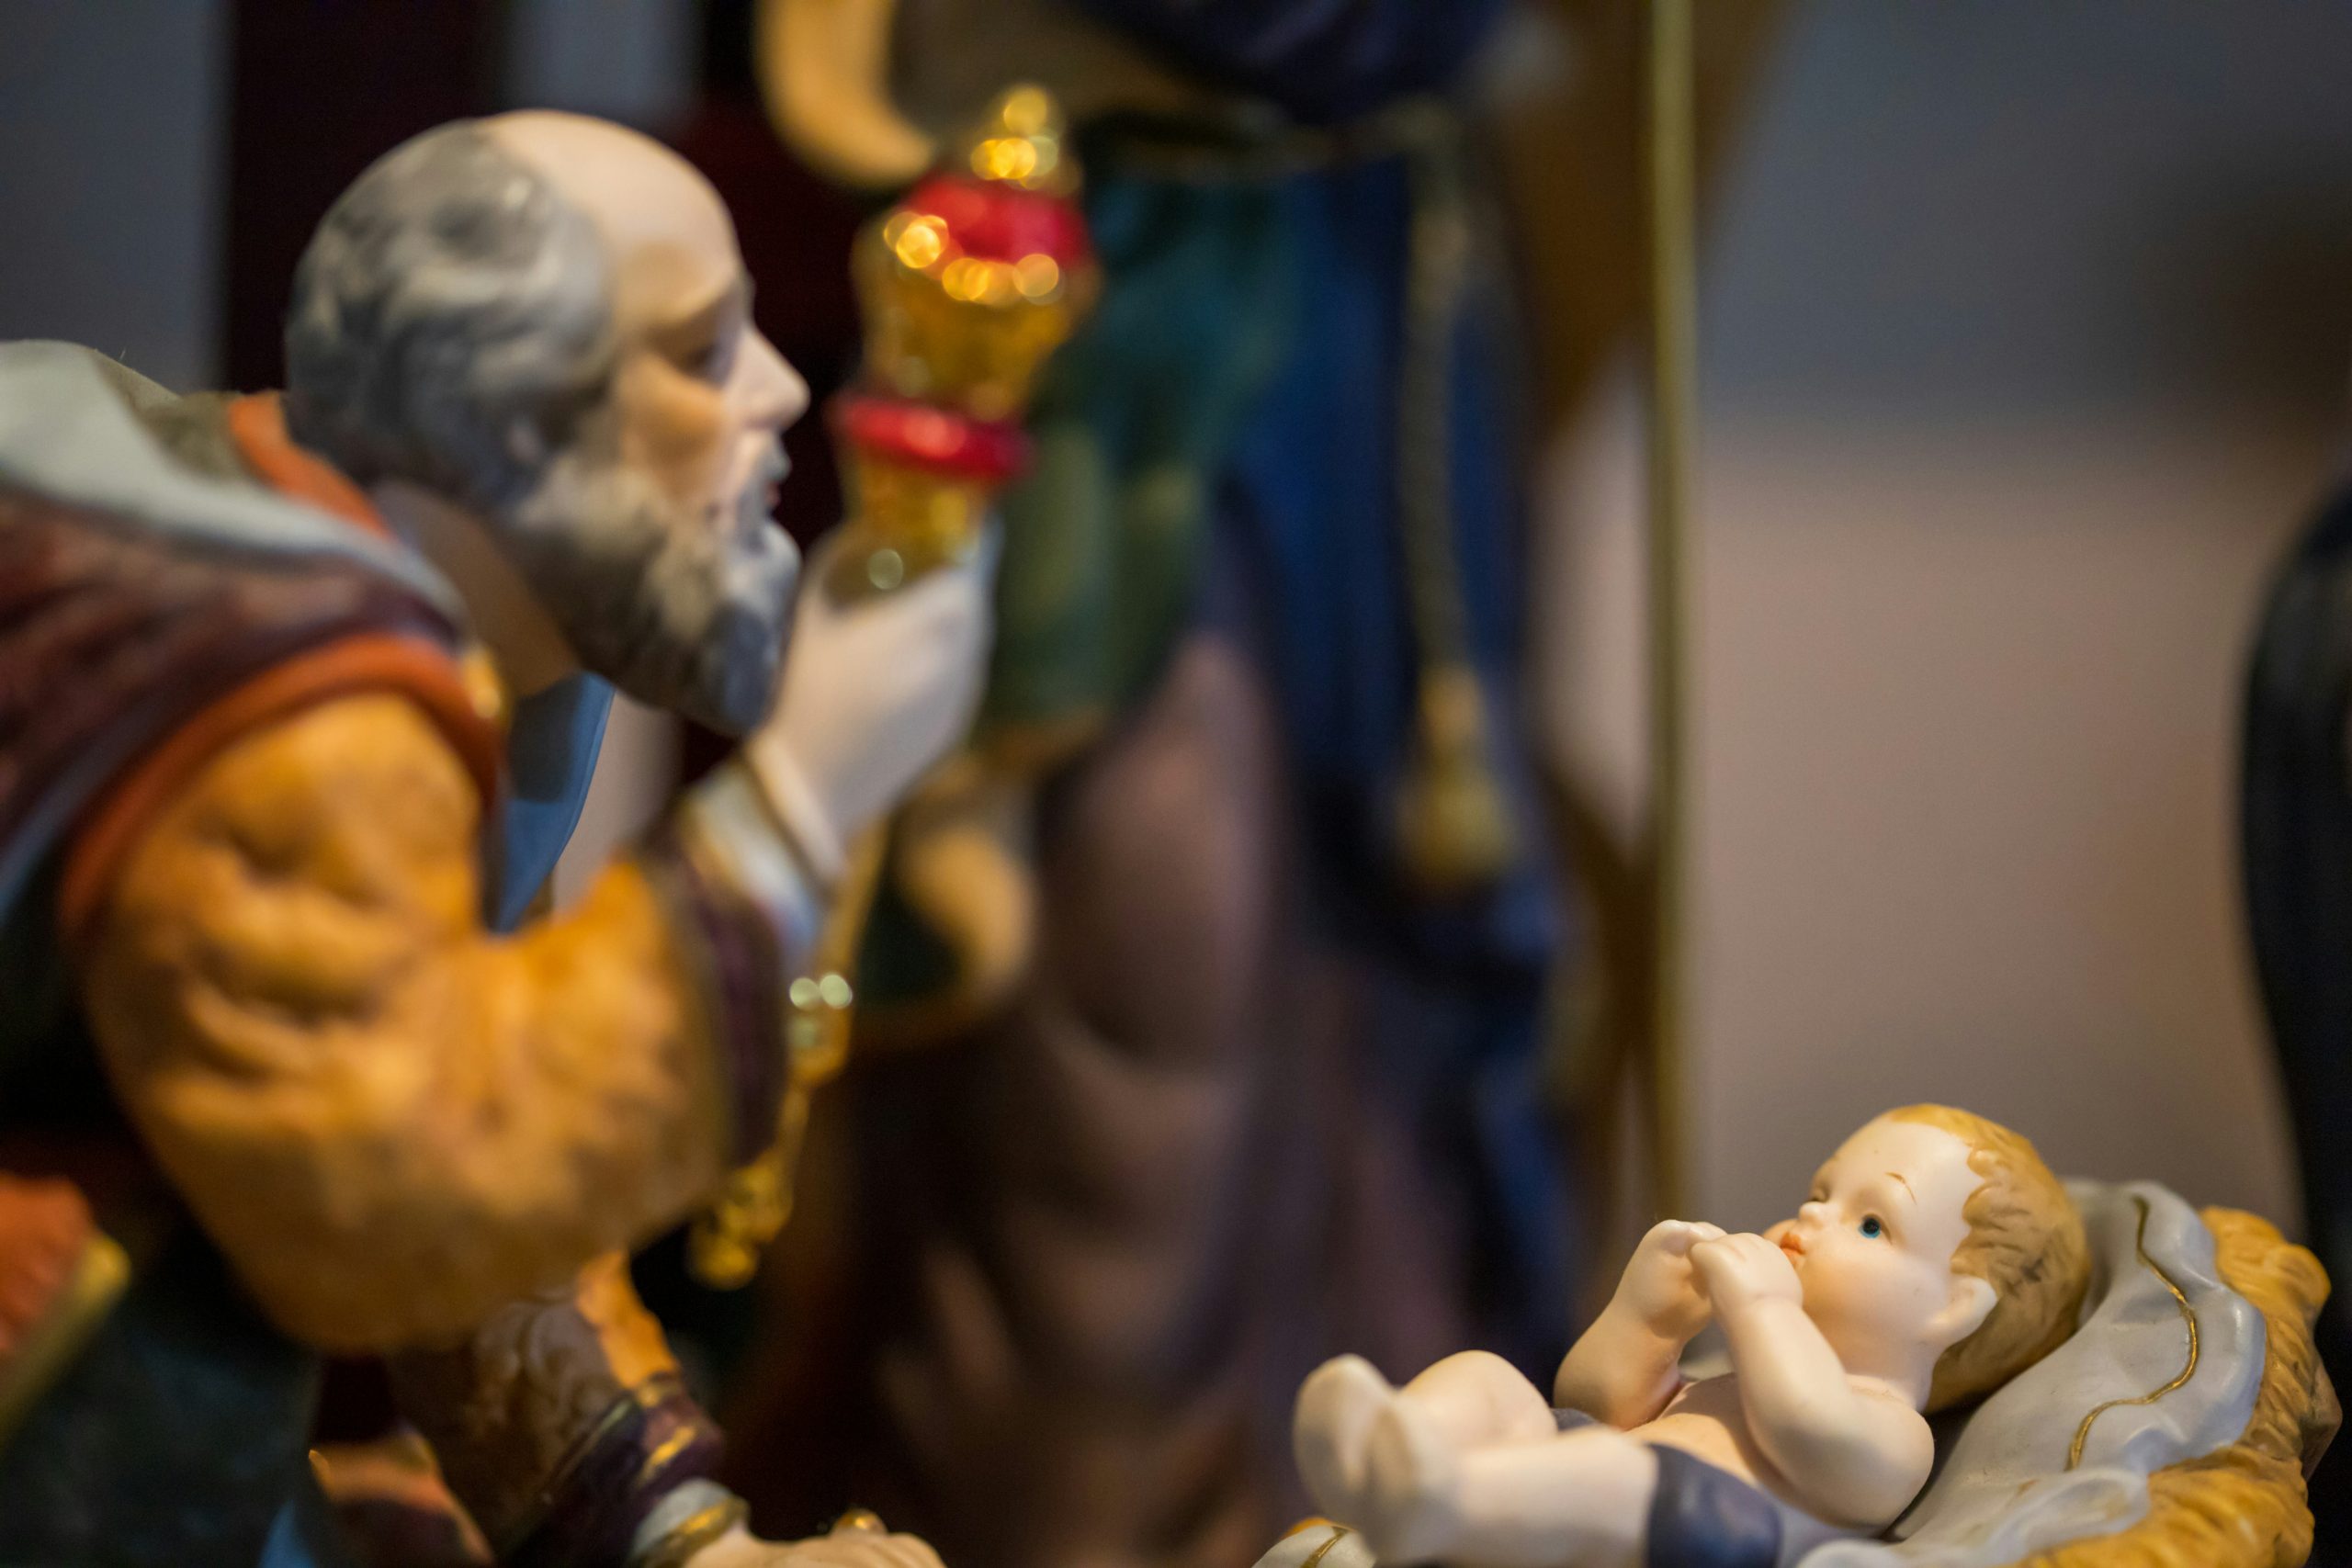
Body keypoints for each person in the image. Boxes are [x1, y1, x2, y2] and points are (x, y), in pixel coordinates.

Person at [0, 112, 988, 1567]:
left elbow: (466, 1071)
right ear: (510, 423)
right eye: (702, 350)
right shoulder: (289, 709)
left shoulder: (471, 652)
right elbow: (397, 1193)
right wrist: (791, 810)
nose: (781, 390)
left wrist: (675, 1536)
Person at [1293, 1107, 2090, 1568]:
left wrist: (1764, 1307)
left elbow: (1807, 1425)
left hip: (1695, 1534)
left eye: (1872, 1222)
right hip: (1586, 1473)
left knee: (1618, 1472)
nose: (1813, 1216)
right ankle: (1393, 1449)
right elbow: (1597, 1405)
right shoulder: (1733, 1376)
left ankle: (1444, 1499)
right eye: (1820, 1190)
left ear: (1954, 1307)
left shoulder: (1892, 1426)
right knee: (1493, 1375)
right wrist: (1646, 1319)